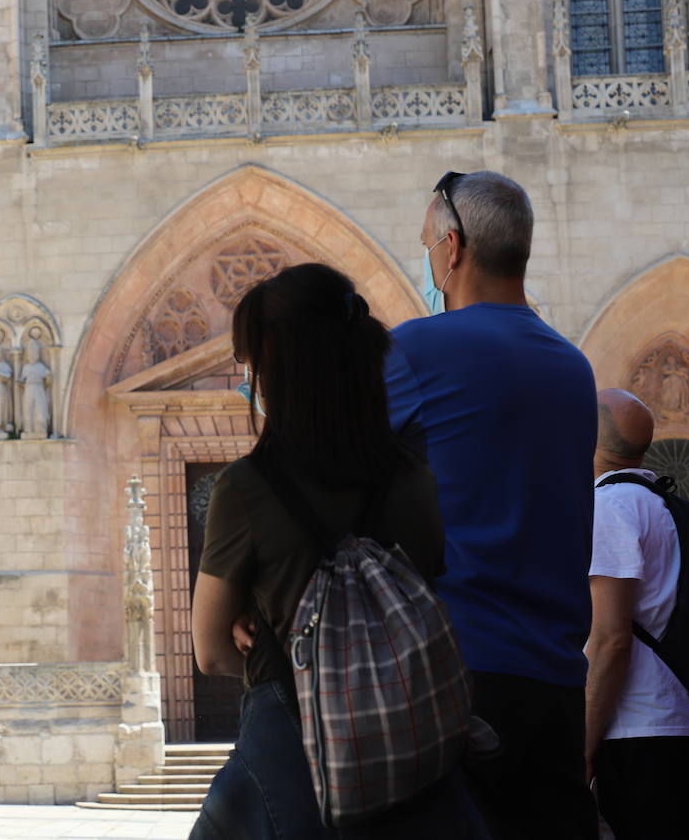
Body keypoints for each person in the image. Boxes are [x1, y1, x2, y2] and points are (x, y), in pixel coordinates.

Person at [191, 262, 487, 839]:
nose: (244, 376)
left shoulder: (247, 488)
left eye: (250, 361)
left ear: (282, 367)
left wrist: (258, 619)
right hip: (412, 758)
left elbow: (209, 652)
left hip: (290, 756)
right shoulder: (413, 478)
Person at [384, 170, 599, 839]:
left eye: (426, 244)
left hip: (458, 675)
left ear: (452, 249)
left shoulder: (419, 349)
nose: (426, 261)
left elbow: (325, 450)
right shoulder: (573, 366)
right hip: (558, 680)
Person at [586, 389, 689, 839]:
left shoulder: (608, 508)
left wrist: (582, 748)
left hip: (636, 730)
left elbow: (610, 638)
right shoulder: (670, 508)